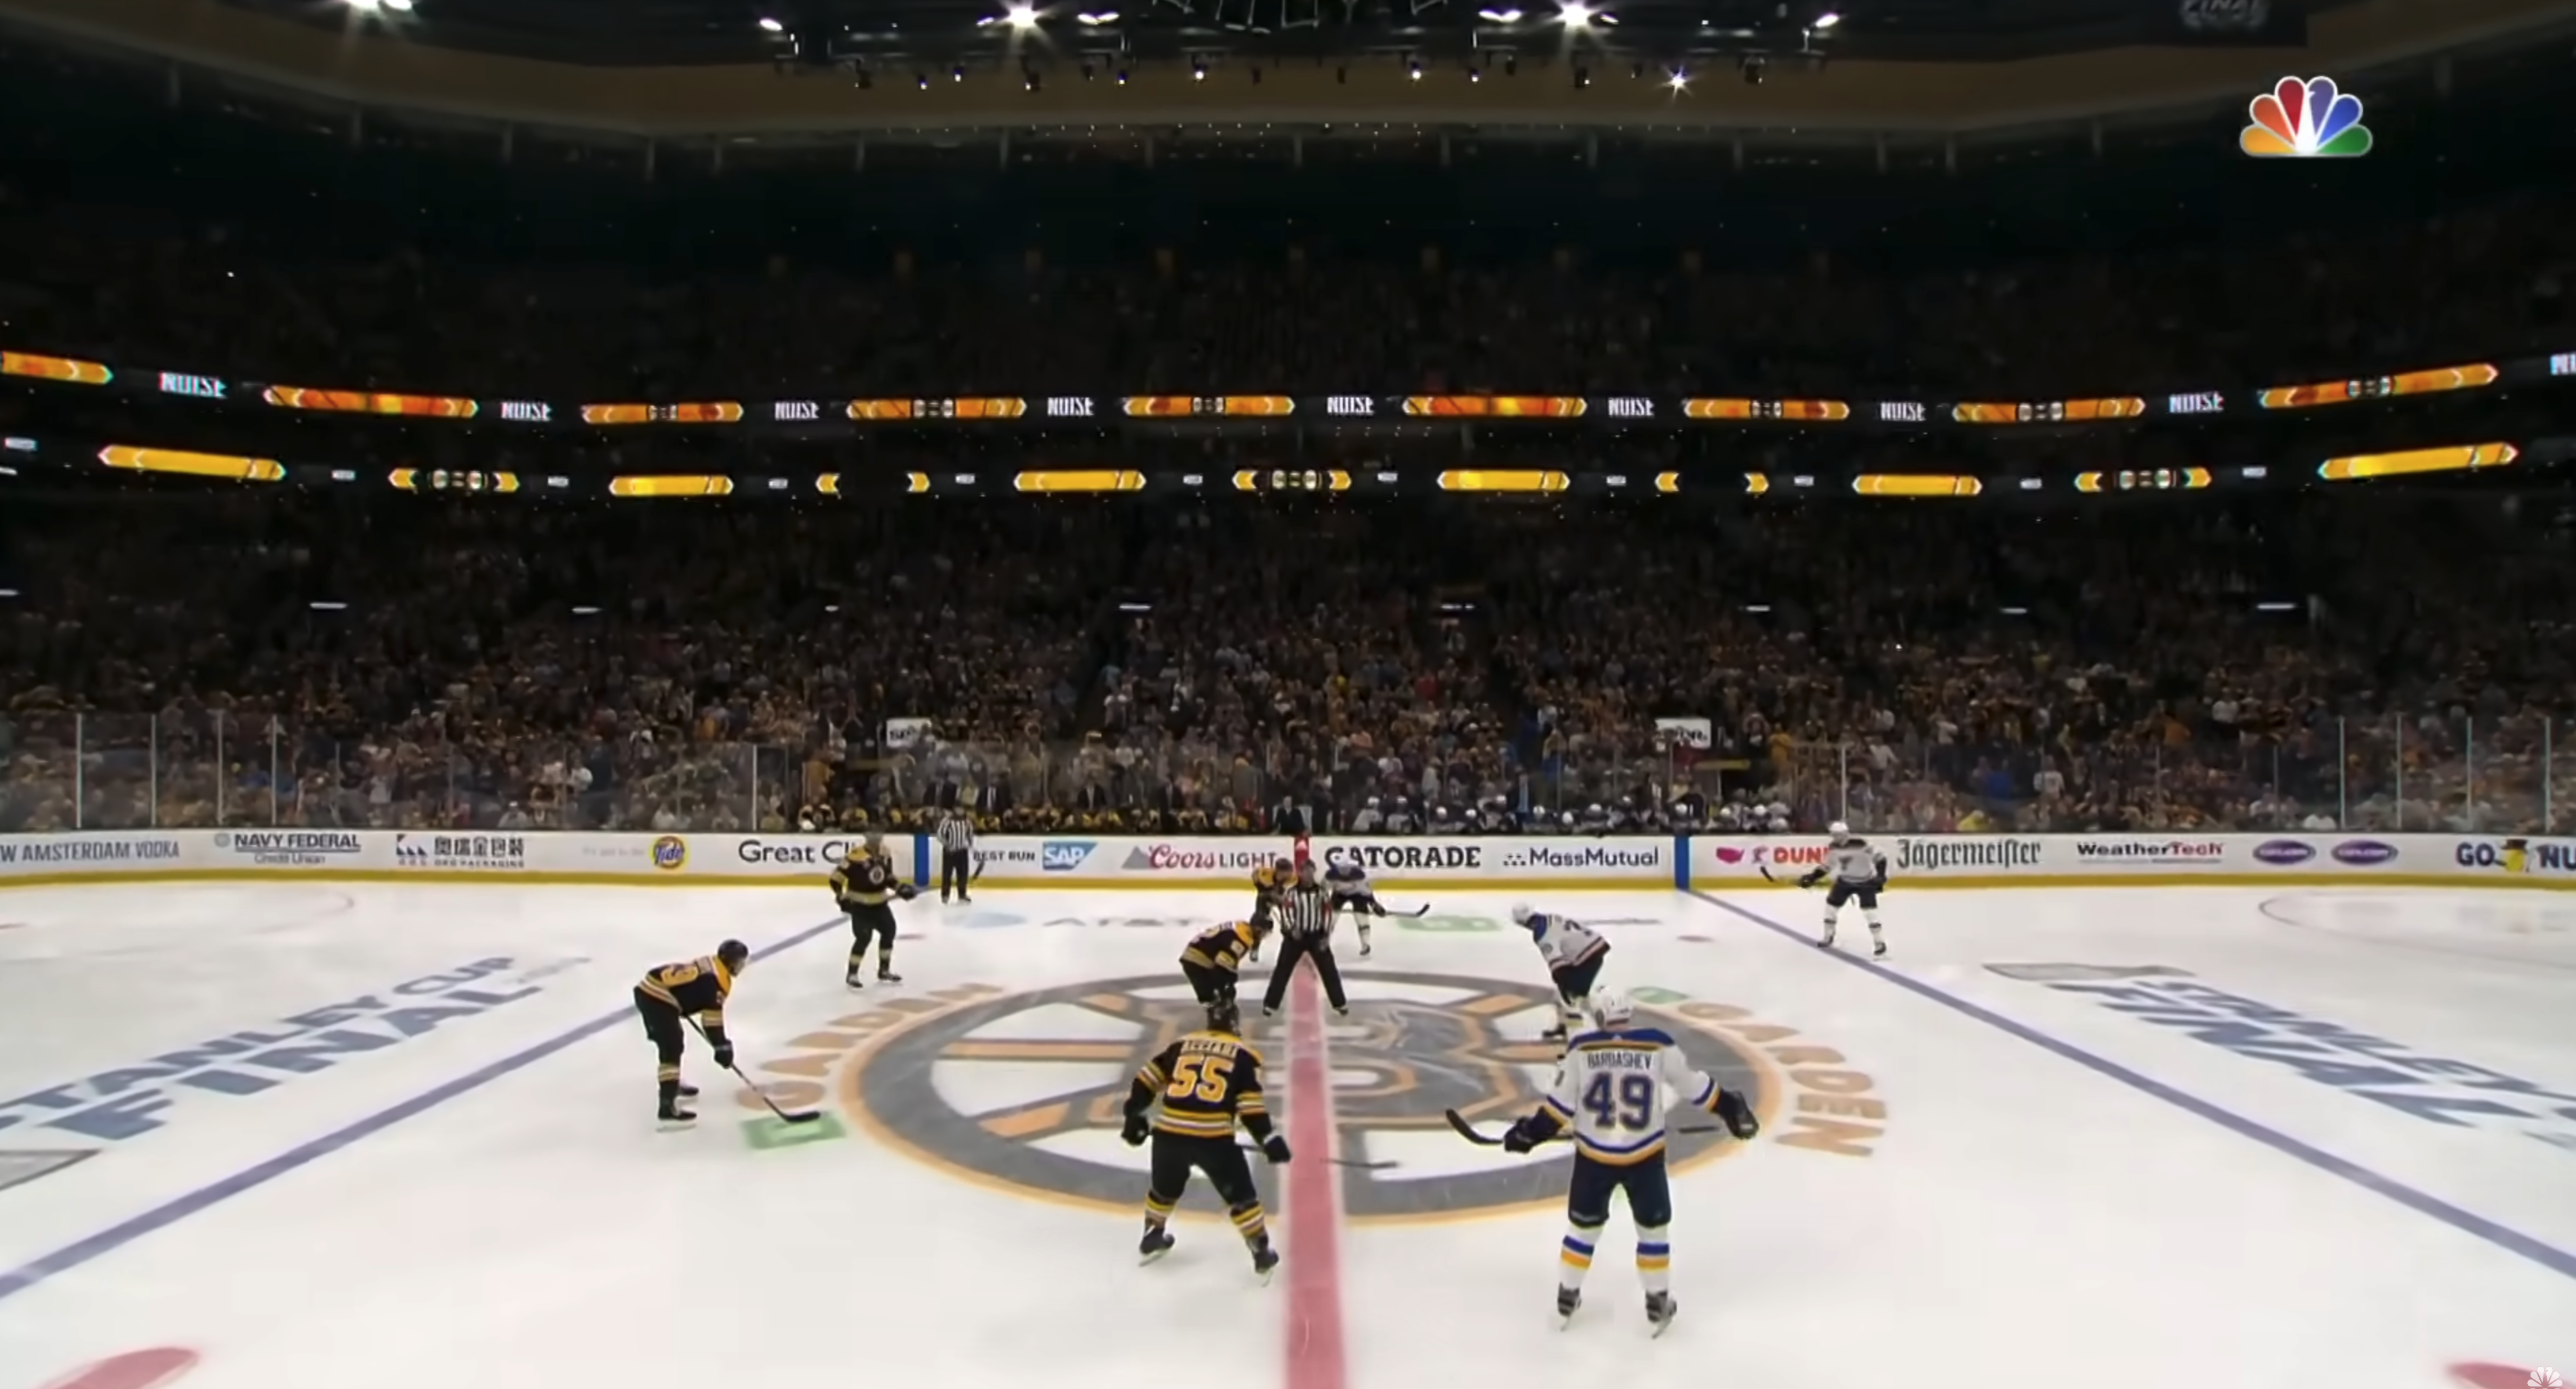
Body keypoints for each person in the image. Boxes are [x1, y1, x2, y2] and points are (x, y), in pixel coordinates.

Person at [1500, 991, 1761, 1334]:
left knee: (1583, 1228)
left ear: (1601, 1015)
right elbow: (1695, 1087)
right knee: (1653, 1230)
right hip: (1645, 1155)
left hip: (1595, 1157)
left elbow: (1559, 1108)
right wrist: (1730, 1107)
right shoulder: (1657, 1045)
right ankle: (1657, 1300)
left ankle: (1568, 1294)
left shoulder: (1582, 1049)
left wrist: (1530, 1134)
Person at [1119, 997, 1288, 1279]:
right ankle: (1261, 1252)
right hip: (1213, 1138)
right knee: (1241, 1196)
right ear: (1235, 1024)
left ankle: (1153, 1233)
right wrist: (1268, 1138)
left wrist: (1134, 1114)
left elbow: (1146, 1079)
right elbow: (1250, 1108)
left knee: (1164, 1189)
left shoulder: (1182, 1045)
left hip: (1169, 1134)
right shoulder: (1243, 1055)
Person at [632, 939, 752, 1127]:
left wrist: (683, 1002)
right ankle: (667, 1104)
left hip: (655, 990)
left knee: (673, 1044)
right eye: (739, 962)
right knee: (672, 1046)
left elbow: (691, 989)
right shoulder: (716, 982)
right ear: (729, 961)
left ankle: (672, 1084)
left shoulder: (712, 965)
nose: (740, 967)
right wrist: (722, 1047)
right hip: (655, 996)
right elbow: (712, 1022)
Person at [1258, 857, 1348, 1018]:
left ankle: (1340, 1003)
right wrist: (1292, 929)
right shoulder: (1291, 892)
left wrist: (1326, 936)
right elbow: (1287, 912)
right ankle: (1270, 1004)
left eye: (1311, 871)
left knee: (1329, 970)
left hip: (1317, 936)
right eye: (1305, 871)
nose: (1308, 875)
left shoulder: (1321, 892)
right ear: (1300, 873)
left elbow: (1327, 913)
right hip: (1295, 938)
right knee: (1282, 970)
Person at [1511, 903, 1609, 1044]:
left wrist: (1565, 988)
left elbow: (1559, 968)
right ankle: (1565, 1025)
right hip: (1594, 949)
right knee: (1563, 995)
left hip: (1586, 959)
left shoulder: (1541, 933)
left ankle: (1587, 1023)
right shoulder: (1550, 917)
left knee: (1569, 1000)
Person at [832, 830, 916, 986]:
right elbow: (836, 878)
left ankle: (884, 970)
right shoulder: (855, 856)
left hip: (880, 904)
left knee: (889, 932)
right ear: (867, 840)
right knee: (863, 938)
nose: (876, 842)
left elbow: (887, 877)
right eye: (873, 839)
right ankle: (852, 974)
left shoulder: (885, 854)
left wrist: (900, 888)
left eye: (878, 839)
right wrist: (840, 896)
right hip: (860, 905)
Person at [1799, 821, 1890, 957]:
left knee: (1870, 913)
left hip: (1865, 881)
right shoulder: (1834, 847)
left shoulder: (1861, 844)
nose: (1837, 838)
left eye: (1840, 835)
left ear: (1846, 834)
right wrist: (1813, 877)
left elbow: (1881, 858)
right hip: (1845, 881)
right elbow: (1827, 866)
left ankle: (1879, 942)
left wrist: (1881, 876)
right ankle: (1828, 936)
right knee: (1830, 909)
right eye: (1834, 835)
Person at [1179, 918, 1264, 1007]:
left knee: (1212, 995)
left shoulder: (1239, 927)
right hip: (1198, 960)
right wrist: (1229, 982)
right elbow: (1223, 964)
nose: (1262, 937)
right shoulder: (1242, 938)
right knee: (1214, 995)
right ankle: (1220, 1013)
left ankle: (1216, 1007)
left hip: (1194, 955)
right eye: (1263, 932)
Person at [1322, 854, 1387, 958]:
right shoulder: (1331, 875)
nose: (1345, 872)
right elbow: (1323, 890)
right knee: (1331, 918)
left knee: (1361, 917)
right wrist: (1323, 902)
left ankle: (1365, 944)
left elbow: (1366, 892)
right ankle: (1324, 941)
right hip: (1339, 894)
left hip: (1358, 895)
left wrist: (1374, 904)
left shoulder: (1360, 876)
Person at [935, 806, 975, 903]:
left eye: (962, 809)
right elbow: (940, 835)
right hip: (950, 852)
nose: (960, 811)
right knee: (947, 874)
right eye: (958, 809)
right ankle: (945, 895)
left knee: (963, 874)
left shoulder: (967, 822)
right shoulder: (947, 821)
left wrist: (970, 844)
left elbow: (970, 834)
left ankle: (962, 895)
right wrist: (947, 845)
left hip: (962, 851)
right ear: (954, 810)